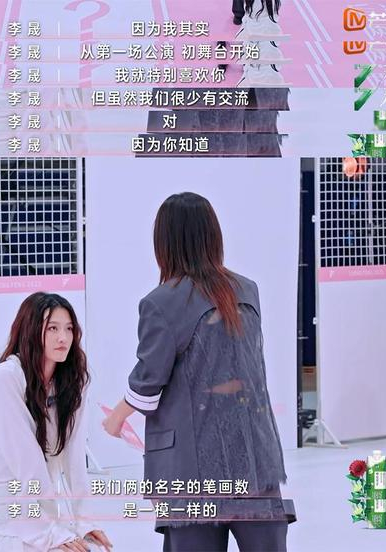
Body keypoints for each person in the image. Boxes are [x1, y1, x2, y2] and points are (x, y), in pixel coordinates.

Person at [102, 193, 290, 551]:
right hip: (254, 456)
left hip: (192, 467)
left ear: (165, 243)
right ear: (213, 235)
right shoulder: (247, 290)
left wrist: (115, 418)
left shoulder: (161, 302)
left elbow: (148, 383)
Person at [0, 293, 112, 552]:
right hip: (2, 505)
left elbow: (74, 454)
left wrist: (84, 520)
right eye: (52, 328)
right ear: (31, 330)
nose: (63, 338)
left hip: (39, 506)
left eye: (69, 329)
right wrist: (49, 532)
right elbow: (27, 461)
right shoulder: (7, 378)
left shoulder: (73, 381)